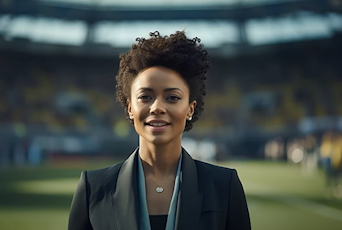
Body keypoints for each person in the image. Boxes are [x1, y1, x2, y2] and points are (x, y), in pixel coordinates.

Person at [68, 31, 251, 230]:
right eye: (145, 97)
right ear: (130, 108)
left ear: (190, 108)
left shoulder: (224, 186)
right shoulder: (93, 188)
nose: (157, 107)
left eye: (172, 97)